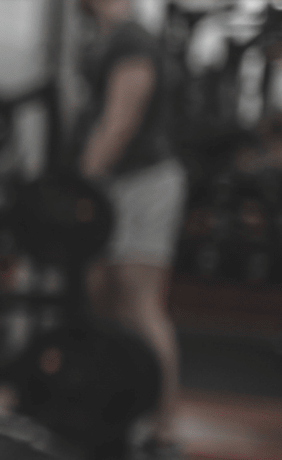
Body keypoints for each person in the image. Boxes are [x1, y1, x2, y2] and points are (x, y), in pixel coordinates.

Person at [75, 0, 186, 453]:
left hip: (142, 183)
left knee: (140, 305)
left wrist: (80, 184)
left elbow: (120, 123)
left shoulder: (130, 40)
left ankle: (164, 429)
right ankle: (108, 414)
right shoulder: (105, 39)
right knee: (100, 298)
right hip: (119, 185)